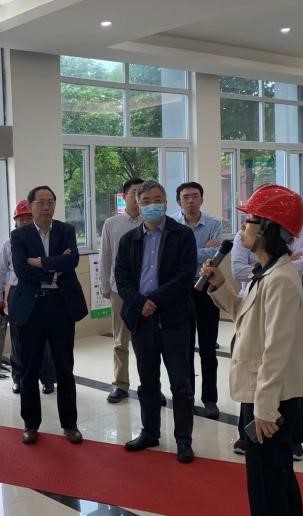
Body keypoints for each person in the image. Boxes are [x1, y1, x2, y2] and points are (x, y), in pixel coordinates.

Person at [202, 184, 303, 516]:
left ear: (267, 229)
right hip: (262, 390)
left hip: (272, 396)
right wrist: (220, 287)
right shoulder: (264, 273)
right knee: (272, 477)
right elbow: (246, 316)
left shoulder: (280, 280)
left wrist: (265, 408)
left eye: (249, 220)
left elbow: (277, 349)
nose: (242, 227)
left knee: (269, 481)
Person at [114, 180, 196, 462]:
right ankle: (150, 432)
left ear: (166, 202)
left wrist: (155, 300)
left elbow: (185, 276)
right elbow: (122, 278)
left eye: (157, 199)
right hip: (141, 319)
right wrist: (140, 303)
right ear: (137, 204)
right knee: (147, 381)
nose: (152, 205)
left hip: (173, 318)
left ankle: (183, 440)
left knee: (181, 383)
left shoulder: (182, 235)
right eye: (146, 201)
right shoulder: (129, 240)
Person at [10, 185, 88, 445]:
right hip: (31, 308)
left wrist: (41, 262)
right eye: (40, 202)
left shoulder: (66, 231)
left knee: (65, 367)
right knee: (29, 369)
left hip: (61, 306)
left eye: (50, 202)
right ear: (31, 206)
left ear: (55, 204)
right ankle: (31, 425)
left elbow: (72, 261)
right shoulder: (19, 236)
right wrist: (56, 265)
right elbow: (22, 270)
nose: (46, 207)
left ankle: (70, 424)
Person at [0, 200, 56, 394]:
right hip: (17, 294)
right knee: (18, 339)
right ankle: (18, 378)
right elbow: (1, 273)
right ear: (15, 222)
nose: (25, 222)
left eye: (29, 218)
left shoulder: (42, 242)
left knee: (44, 338)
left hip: (41, 293)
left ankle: (47, 379)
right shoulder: (8, 245)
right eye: (21, 219)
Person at [175, 181, 223, 419]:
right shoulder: (171, 224)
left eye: (195, 196)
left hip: (206, 288)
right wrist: (202, 250)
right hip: (180, 290)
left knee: (208, 348)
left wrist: (187, 252)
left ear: (202, 199)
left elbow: (217, 255)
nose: (191, 200)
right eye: (186, 197)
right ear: (179, 201)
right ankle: (187, 396)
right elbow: (172, 257)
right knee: (183, 348)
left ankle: (210, 399)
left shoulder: (214, 223)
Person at [99, 178, 144, 404]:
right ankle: (120, 384)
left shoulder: (151, 222)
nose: (137, 197)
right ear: (124, 196)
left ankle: (150, 385)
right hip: (120, 291)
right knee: (120, 340)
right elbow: (105, 255)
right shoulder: (112, 224)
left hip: (147, 291)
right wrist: (105, 286)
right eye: (133, 192)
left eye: (141, 193)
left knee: (148, 341)